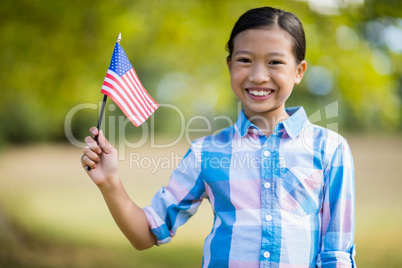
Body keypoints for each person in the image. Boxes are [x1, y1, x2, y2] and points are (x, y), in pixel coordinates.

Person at [81, 6, 356, 267]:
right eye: (245, 60)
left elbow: (337, 254)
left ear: (298, 71)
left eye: (275, 62)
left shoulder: (329, 149)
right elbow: (146, 233)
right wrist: (110, 183)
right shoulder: (207, 152)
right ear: (229, 65)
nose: (259, 75)